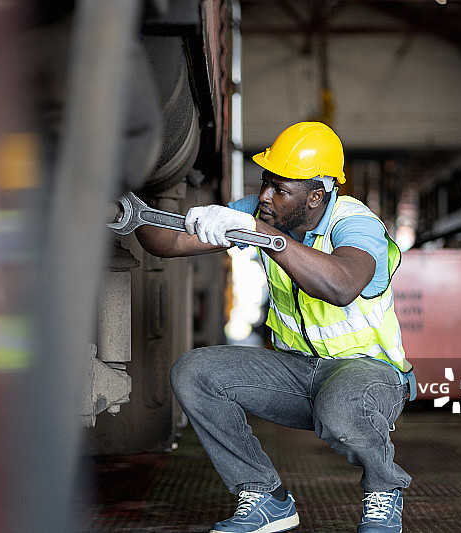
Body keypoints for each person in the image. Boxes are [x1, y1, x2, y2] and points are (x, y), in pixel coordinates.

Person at [135, 121, 415, 533]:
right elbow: (170, 243)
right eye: (265, 182)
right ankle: (266, 499)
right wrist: (136, 212)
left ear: (316, 195)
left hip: (369, 374)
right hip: (297, 373)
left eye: (280, 189)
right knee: (194, 372)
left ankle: (384, 491)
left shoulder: (356, 225)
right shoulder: (262, 212)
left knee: (340, 409)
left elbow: (340, 286)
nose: (265, 196)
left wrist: (260, 233)